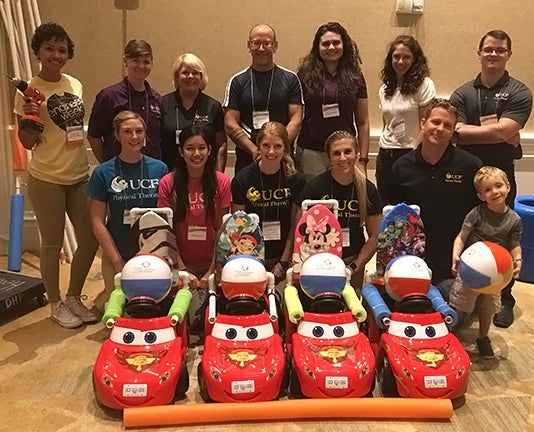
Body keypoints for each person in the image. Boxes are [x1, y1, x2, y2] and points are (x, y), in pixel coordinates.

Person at [13, 22, 99, 328]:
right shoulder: (28, 91)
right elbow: (26, 143)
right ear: (38, 51)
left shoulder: (75, 84)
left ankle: (74, 296)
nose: (56, 54)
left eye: (62, 49)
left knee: (89, 240)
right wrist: (30, 114)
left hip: (78, 175)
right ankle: (56, 303)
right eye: (49, 48)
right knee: (51, 245)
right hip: (46, 177)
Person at [450, 29, 532, 328]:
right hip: (466, 176)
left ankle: (503, 298)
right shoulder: (463, 93)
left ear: (508, 53)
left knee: (503, 236)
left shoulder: (520, 92)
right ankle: (468, 294)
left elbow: (503, 131)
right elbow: (455, 131)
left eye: (500, 50)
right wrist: (497, 132)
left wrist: (471, 131)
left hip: (500, 177)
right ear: (479, 53)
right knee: (469, 232)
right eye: (488, 49)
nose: (493, 54)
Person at [390, 99, 482, 289]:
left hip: (454, 264)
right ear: (423, 123)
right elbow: (391, 219)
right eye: (435, 122)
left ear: (453, 131)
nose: (440, 129)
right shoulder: (401, 167)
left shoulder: (470, 166)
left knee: (452, 316)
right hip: (411, 260)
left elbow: (480, 218)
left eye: (447, 125)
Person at [87, 111, 168, 311]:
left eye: (139, 131)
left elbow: (167, 215)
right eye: (127, 131)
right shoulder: (103, 173)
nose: (134, 137)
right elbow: (96, 221)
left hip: (153, 252)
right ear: (116, 135)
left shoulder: (160, 169)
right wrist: (117, 260)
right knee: (119, 310)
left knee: (153, 308)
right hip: (118, 250)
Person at [157, 125, 231, 327]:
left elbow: (223, 231)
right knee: (184, 321)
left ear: (209, 150)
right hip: (180, 264)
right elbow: (166, 232)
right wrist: (183, 270)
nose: (196, 154)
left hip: (213, 264)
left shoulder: (222, 182)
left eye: (202, 148)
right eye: (190, 148)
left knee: (215, 321)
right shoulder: (167, 183)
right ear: (181, 152)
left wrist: (211, 271)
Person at [450, 166, 522, 359]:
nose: (494, 192)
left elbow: (514, 244)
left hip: (496, 274)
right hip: (470, 270)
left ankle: (483, 338)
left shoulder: (514, 219)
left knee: (487, 308)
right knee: (459, 304)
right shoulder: (476, 213)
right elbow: (461, 237)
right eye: (488, 190)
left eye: (498, 185)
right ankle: (449, 333)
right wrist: (456, 255)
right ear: (481, 196)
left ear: (508, 186)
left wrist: (518, 259)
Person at [295, 130, 382, 289]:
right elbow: (299, 232)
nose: (343, 158)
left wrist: (354, 266)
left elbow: (375, 237)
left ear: (356, 154)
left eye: (348, 152)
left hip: (353, 263)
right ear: (329, 158)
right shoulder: (315, 188)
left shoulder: (368, 189)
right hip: (319, 266)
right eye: (336, 153)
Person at [231, 121, 306, 283]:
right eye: (265, 145)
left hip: (285, 258)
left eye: (277, 146)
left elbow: (296, 227)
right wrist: (252, 262)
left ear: (286, 147)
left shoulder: (296, 181)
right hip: (251, 258)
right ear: (258, 146)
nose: (271, 151)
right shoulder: (242, 180)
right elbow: (238, 228)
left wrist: (283, 263)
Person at [223, 23, 304, 173]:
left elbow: (296, 119)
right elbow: (230, 123)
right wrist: (255, 150)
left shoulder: (290, 79)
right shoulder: (237, 81)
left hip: (283, 159)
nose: (261, 48)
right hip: (248, 159)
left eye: (267, 43)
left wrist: (278, 149)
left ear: (275, 46)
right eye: (256, 43)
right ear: (249, 45)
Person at [295, 21, 370, 179]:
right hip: (312, 151)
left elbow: (363, 122)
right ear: (318, 47)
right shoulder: (304, 75)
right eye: (326, 44)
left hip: (345, 153)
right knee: (314, 201)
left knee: (344, 201)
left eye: (336, 43)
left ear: (344, 45)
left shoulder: (356, 76)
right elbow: (295, 116)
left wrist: (362, 160)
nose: (331, 48)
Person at [378, 35, 436, 204]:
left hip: (411, 153)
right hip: (386, 152)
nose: (400, 61)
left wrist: (413, 154)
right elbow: (386, 123)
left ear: (415, 60)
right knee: (387, 204)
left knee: (410, 206)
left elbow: (426, 123)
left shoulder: (424, 85)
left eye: (406, 57)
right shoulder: (385, 88)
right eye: (396, 56)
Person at [88, 39, 164, 162]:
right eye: (135, 61)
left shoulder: (156, 99)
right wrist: (107, 167)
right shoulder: (109, 96)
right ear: (125, 61)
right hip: (118, 172)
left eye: (146, 62)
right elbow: (93, 136)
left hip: (151, 173)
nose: (141, 66)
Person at [161, 53, 227, 172]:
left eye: (195, 73)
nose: (190, 76)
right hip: (170, 173)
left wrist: (219, 175)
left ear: (202, 77)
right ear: (177, 77)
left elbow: (221, 145)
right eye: (185, 72)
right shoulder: (163, 104)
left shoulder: (213, 106)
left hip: (206, 175)